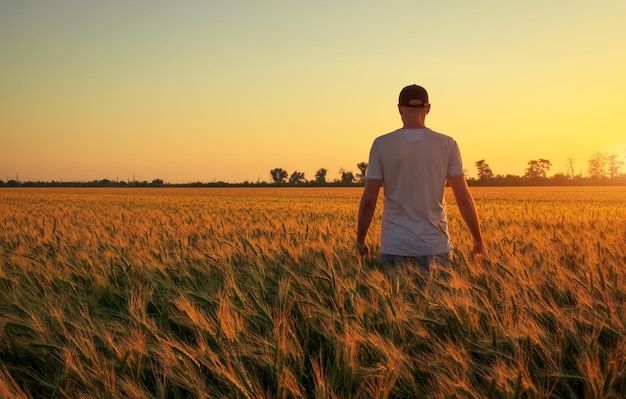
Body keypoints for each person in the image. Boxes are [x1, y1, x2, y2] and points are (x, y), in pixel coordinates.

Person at [356, 84, 485, 272]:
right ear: (428, 108)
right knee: (438, 301)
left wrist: (360, 240)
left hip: (395, 246)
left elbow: (369, 200)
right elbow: (464, 199)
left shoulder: (381, 144)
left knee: (398, 301)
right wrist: (478, 239)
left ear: (399, 108)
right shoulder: (447, 144)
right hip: (435, 246)